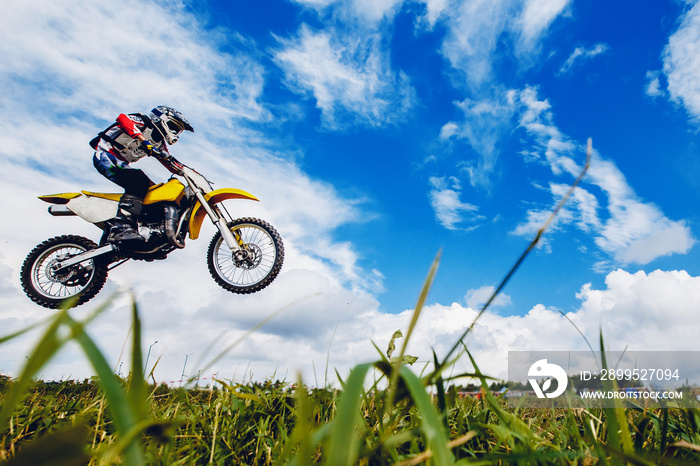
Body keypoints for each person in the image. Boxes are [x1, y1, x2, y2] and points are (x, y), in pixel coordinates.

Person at [91, 106, 194, 243]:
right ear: (162, 119)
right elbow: (123, 118)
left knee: (155, 192)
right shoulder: (143, 122)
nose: (175, 133)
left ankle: (148, 231)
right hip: (106, 157)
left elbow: (169, 161)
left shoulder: (159, 143)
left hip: (121, 163)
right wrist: (142, 139)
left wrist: (190, 173)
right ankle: (121, 229)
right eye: (174, 127)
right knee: (139, 181)